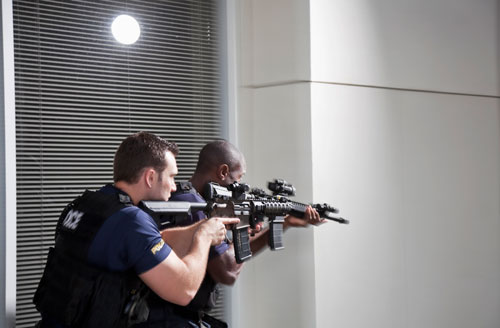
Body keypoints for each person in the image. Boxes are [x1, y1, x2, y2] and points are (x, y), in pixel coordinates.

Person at [32, 132, 239, 328]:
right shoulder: (132, 221)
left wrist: (201, 226)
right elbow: (185, 290)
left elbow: (154, 241)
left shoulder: (91, 205)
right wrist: (203, 238)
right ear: (150, 177)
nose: (174, 187)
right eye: (171, 177)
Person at [142, 140, 323, 328]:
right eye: (238, 178)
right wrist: (242, 227)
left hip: (179, 317)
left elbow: (229, 257)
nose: (240, 185)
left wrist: (283, 223)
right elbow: (227, 271)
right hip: (167, 319)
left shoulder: (194, 201)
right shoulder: (193, 207)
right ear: (223, 172)